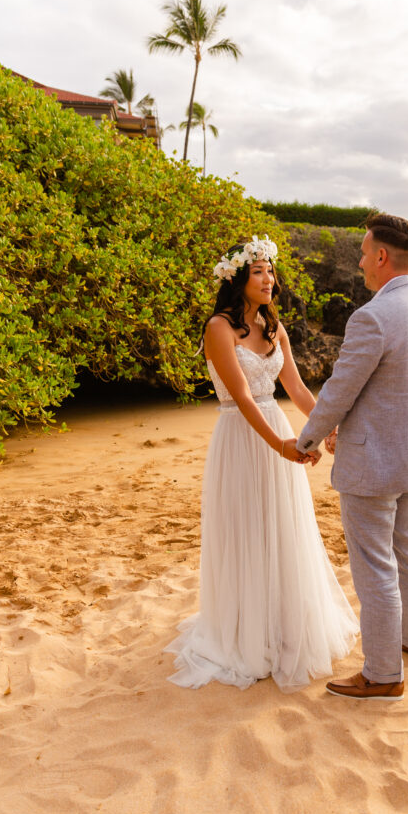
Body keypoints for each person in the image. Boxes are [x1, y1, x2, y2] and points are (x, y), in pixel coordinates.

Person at [166, 236, 358, 691]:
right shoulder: (218, 328)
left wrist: (327, 426)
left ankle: (279, 625)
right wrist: (282, 446)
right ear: (237, 278)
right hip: (243, 436)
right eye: (259, 271)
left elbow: (295, 388)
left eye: (271, 271)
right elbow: (243, 400)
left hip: (275, 430)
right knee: (246, 530)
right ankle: (242, 632)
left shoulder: (274, 327)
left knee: (281, 529)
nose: (269, 279)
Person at [294, 214, 408, 700]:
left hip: (374, 462)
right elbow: (401, 388)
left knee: (376, 565)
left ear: (382, 257)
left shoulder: (373, 316)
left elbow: (342, 390)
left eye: (363, 252)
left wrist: (309, 439)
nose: (360, 262)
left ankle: (383, 673)